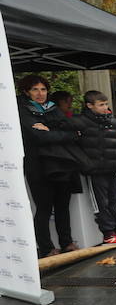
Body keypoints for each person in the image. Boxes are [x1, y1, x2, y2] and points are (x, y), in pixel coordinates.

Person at [17, 75, 82, 258]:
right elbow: (38, 137)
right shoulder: (21, 109)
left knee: (63, 206)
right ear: (26, 91)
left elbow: (73, 131)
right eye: (35, 89)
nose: (40, 94)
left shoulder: (52, 107)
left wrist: (50, 130)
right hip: (37, 165)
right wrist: (60, 132)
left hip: (61, 164)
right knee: (44, 208)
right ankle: (47, 248)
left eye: (43, 89)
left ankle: (67, 243)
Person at [70, 91, 116, 245]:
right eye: (101, 105)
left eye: (106, 104)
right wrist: (87, 163)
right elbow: (72, 144)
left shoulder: (112, 120)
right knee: (101, 203)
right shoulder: (79, 122)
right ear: (89, 105)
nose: (105, 107)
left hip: (112, 169)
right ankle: (108, 233)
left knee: (114, 200)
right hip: (95, 172)